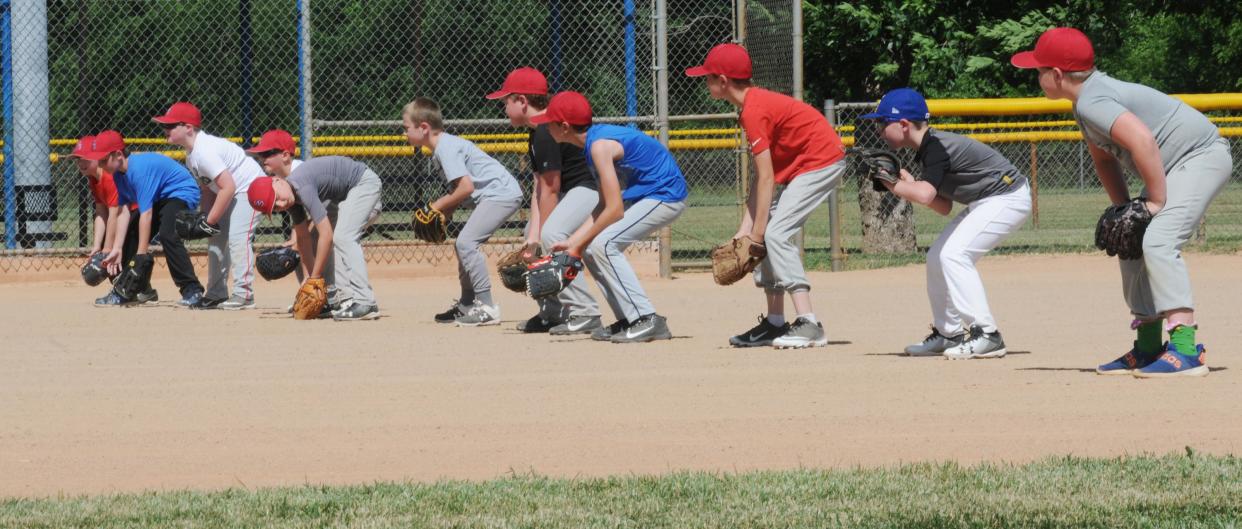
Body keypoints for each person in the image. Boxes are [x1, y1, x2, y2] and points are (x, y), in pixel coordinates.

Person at [1012, 27, 1230, 377]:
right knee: (1132, 241)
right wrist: (1125, 210)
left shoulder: (1092, 101)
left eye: (1038, 71)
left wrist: (1155, 202)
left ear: (1056, 75)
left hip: (1200, 155)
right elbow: (1104, 160)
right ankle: (1147, 349)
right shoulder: (1084, 103)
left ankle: (1186, 350)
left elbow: (1143, 141)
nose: (1035, 77)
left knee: (1158, 239)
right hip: (1175, 165)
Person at [687, 43, 846, 348]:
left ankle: (809, 323)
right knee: (763, 236)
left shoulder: (753, 111)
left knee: (774, 235)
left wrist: (758, 235)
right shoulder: (752, 106)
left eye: (707, 77)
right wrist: (744, 232)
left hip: (821, 161)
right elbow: (760, 181)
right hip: (803, 165)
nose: (704, 81)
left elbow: (768, 178)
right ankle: (775, 323)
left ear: (723, 81)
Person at [861, 88, 1032, 359]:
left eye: (882, 123)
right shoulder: (928, 148)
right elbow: (943, 205)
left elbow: (927, 195)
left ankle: (987, 334)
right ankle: (948, 333)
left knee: (954, 255)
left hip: (1007, 197)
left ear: (903, 125)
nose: (880, 130)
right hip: (990, 200)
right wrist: (907, 185)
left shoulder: (935, 146)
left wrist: (894, 185)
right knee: (937, 256)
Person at [534, 91, 688, 343]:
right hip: (646, 195)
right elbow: (603, 204)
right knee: (591, 248)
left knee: (603, 244)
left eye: (550, 121)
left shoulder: (598, 146)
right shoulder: (591, 144)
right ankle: (629, 318)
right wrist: (575, 242)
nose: (546, 125)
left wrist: (576, 243)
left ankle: (647, 318)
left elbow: (614, 209)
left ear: (563, 127)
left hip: (665, 195)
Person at [486, 67, 603, 335]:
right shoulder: (536, 131)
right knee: (533, 235)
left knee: (552, 236)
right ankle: (552, 312)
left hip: (589, 189)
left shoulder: (544, 130)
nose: (504, 107)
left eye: (507, 101)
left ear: (522, 102)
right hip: (569, 192)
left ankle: (584, 311)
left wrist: (542, 239)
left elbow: (551, 187)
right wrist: (533, 236)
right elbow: (540, 186)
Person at [403, 97, 524, 327]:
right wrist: (443, 216)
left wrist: (434, 207)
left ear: (424, 128)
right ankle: (468, 303)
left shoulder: (445, 148)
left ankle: (487, 307)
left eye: (407, 128)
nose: (404, 133)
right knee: (463, 243)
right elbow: (459, 192)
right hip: (496, 194)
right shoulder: (443, 148)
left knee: (466, 243)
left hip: (501, 194)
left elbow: (466, 187)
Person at [246, 130, 384, 321]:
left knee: (342, 236)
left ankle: (365, 302)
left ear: (277, 181)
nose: (281, 205)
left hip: (363, 185)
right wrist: (310, 281)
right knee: (316, 239)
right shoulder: (291, 198)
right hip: (345, 198)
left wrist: (315, 278)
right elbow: (303, 238)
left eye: (276, 199)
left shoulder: (301, 184)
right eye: (275, 208)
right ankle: (330, 299)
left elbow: (326, 234)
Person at [155, 102, 266, 310]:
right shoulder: (191, 155)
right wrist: (205, 217)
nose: (165, 130)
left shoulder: (204, 151)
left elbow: (228, 186)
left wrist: (209, 220)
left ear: (188, 127)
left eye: (170, 126)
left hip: (251, 188)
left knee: (237, 238)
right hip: (230, 191)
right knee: (215, 238)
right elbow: (208, 189)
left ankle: (244, 294)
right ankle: (216, 293)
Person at [84, 130, 205, 306]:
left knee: (167, 234)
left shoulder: (138, 171)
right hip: (161, 197)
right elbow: (124, 209)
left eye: (103, 160)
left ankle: (192, 290)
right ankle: (138, 290)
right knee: (130, 232)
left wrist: (140, 255)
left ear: (118, 154)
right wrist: (117, 248)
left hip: (181, 193)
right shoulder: (118, 174)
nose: (101, 165)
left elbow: (146, 214)